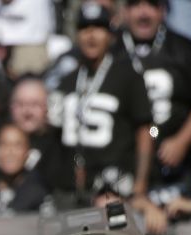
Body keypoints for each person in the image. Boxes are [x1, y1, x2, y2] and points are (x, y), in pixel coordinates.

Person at [47, 2, 153, 203]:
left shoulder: (129, 77)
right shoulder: (67, 80)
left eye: (98, 28)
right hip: (70, 188)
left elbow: (147, 130)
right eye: (85, 28)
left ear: (111, 36)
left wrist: (140, 185)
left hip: (113, 186)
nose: (91, 35)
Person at [117, 0, 191, 187]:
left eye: (151, 5)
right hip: (122, 161)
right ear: (125, 12)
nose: (143, 14)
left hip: (174, 158)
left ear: (163, 11)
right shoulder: (112, 51)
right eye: (136, 5)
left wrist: (181, 141)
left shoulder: (185, 51)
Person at [0, 124, 50, 216]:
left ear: (27, 152)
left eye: (17, 145)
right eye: (4, 144)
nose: (10, 151)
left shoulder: (38, 190)